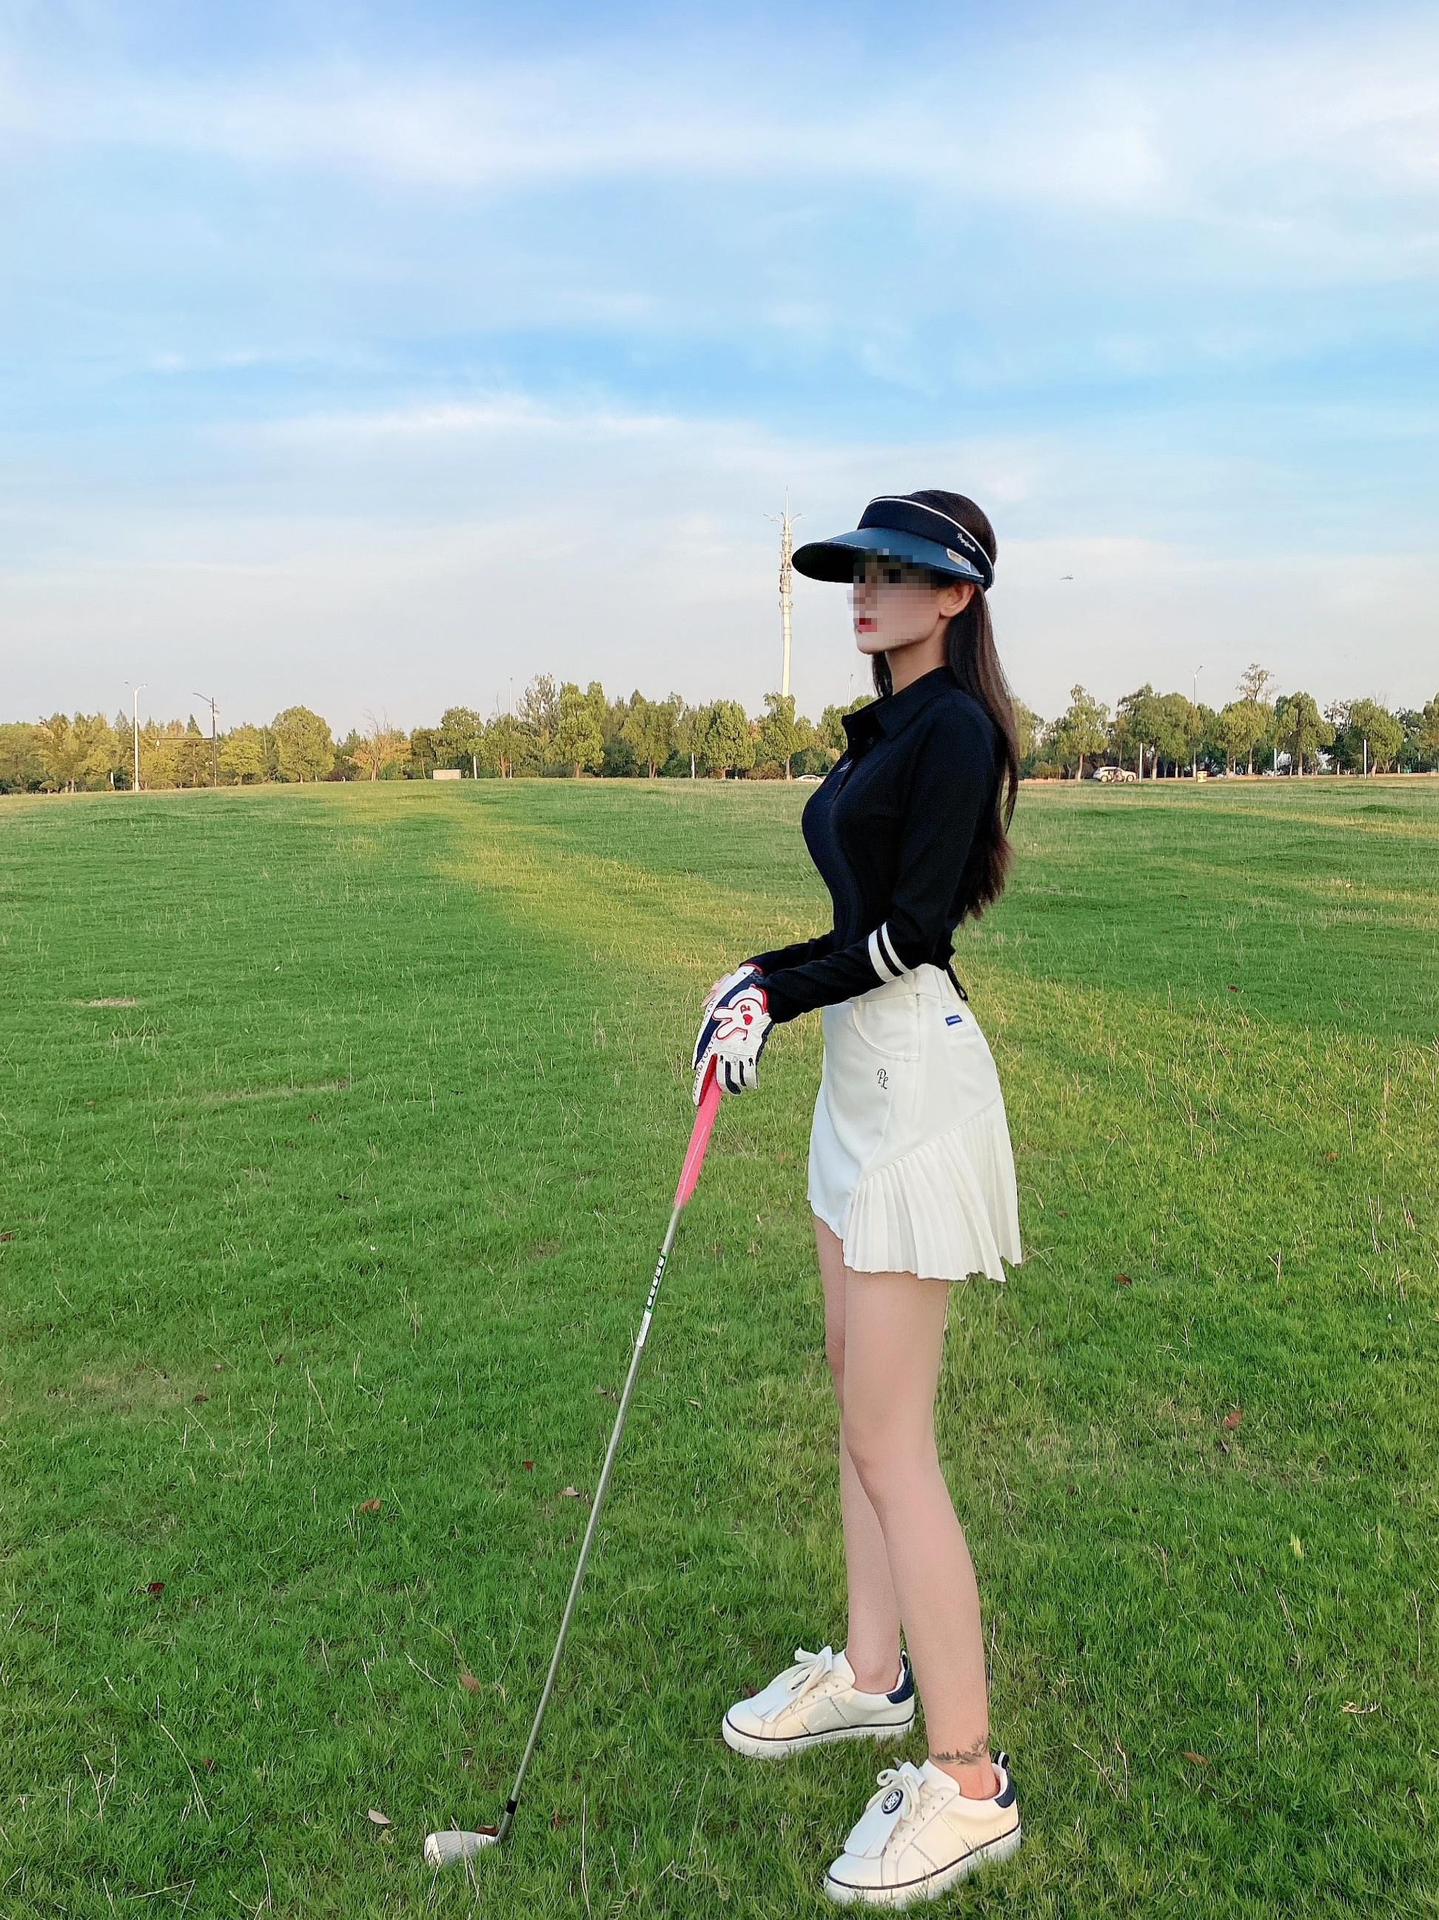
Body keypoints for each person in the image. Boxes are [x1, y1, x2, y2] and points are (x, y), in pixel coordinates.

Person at [690, 489, 1026, 1906]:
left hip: (913, 1092)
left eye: (897, 574)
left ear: (958, 597)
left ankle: (969, 1781)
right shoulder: (886, 726)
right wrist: (758, 975)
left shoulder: (954, 730)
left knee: (894, 1441)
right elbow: (849, 931)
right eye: (857, 572)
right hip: (856, 1083)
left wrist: (779, 992)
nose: (864, 591)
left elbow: (912, 933)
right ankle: (872, 1675)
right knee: (854, 1397)